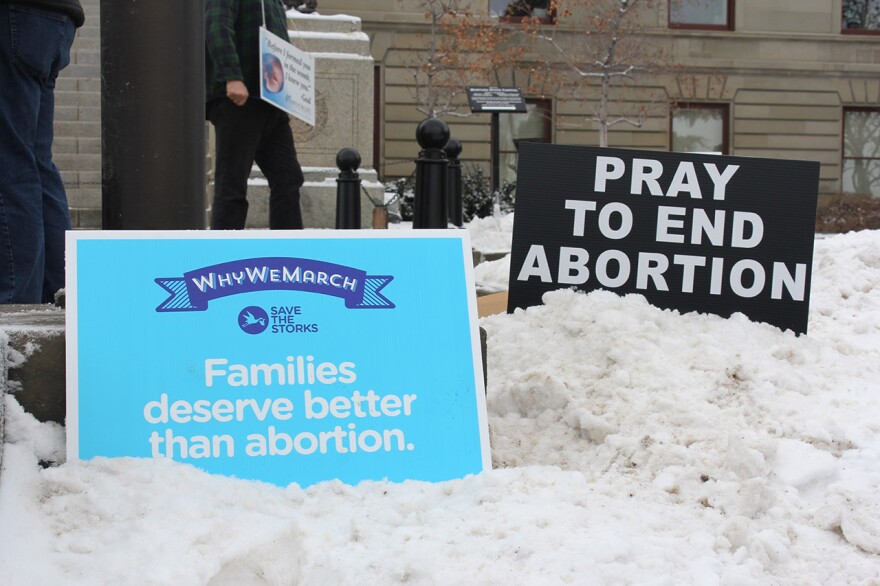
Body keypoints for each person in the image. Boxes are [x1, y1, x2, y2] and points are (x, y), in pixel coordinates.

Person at [0, 0, 85, 304]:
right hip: (54, 17)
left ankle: (14, 301)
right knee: (36, 161)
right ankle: (59, 289)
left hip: (15, 16)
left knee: (11, 162)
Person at [205, 0, 305, 230]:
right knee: (232, 186)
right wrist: (232, 76)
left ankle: (288, 253)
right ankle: (223, 257)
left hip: (270, 101)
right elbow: (216, 27)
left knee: (289, 179)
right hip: (239, 100)